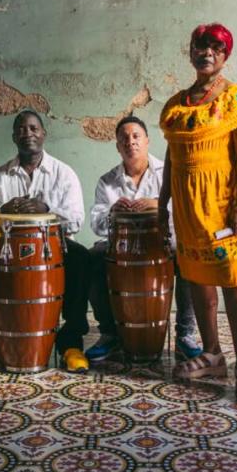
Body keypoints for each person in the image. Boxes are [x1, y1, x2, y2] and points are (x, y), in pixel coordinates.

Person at [159, 22, 237, 406]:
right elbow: (172, 160)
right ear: (191, 53)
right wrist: (161, 206)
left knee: (234, 282)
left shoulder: (234, 99)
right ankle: (213, 354)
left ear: (224, 56)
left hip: (222, 207)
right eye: (200, 46)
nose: (206, 53)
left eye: (215, 48)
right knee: (198, 279)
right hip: (187, 209)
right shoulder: (175, 105)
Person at [0, 110, 92, 373]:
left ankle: (71, 344)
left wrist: (45, 208)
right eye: (22, 129)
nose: (28, 134)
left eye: (34, 128)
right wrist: (3, 212)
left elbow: (77, 220)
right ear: (14, 137)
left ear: (43, 134)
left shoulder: (63, 173)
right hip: (7, 251)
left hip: (54, 248)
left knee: (80, 258)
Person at [86, 115, 202, 362]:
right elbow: (96, 223)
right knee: (93, 257)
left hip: (160, 242)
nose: (131, 142)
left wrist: (159, 205)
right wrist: (112, 212)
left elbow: (184, 213)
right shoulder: (107, 181)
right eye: (124, 139)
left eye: (136, 136)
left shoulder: (167, 175)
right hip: (122, 244)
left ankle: (185, 334)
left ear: (147, 141)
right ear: (118, 146)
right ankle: (110, 334)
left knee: (187, 256)